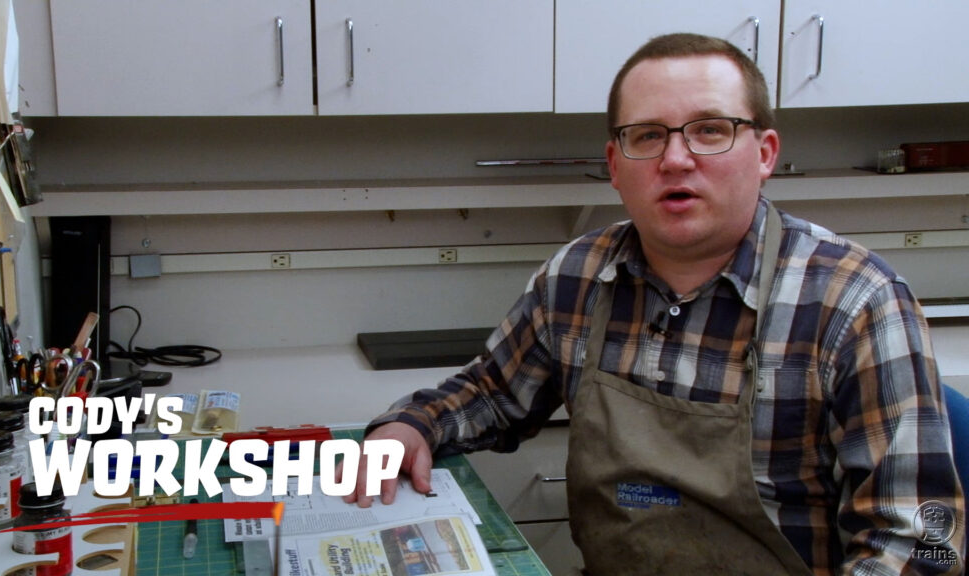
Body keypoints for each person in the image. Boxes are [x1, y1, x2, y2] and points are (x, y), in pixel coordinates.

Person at [340, 33, 965, 575]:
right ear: (615, 165)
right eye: (647, 136)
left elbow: (917, 540)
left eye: (710, 130)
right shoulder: (578, 277)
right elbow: (492, 393)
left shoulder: (855, 302)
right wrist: (410, 425)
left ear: (765, 153)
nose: (675, 158)